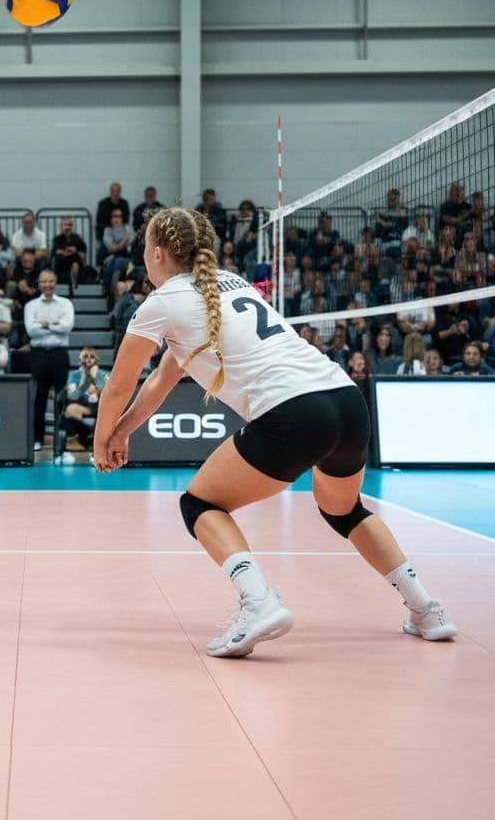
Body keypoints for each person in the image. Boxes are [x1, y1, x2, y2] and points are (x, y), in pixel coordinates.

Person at [94, 207, 455, 658]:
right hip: (346, 402)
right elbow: (163, 378)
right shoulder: (227, 283)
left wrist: (101, 441)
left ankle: (259, 602)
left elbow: (119, 383)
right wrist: (124, 431)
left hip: (294, 414)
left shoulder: (163, 302)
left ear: (158, 253)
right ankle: (427, 609)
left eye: (144, 247)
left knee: (199, 503)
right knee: (345, 512)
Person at [24, 269, 74, 451]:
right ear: (39, 284)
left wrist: (43, 324)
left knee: (62, 396)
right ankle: (37, 439)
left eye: (51, 281)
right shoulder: (30, 306)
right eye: (44, 282)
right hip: (38, 354)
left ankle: (63, 440)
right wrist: (55, 324)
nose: (47, 285)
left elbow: (67, 327)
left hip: (60, 354)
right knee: (39, 397)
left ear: (56, 282)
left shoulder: (66, 303)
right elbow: (31, 330)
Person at [57, 346, 109, 463]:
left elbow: (110, 396)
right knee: (70, 409)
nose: (89, 359)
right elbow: (72, 396)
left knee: (104, 413)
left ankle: (95, 451)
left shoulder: (103, 375)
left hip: (99, 409)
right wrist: (86, 384)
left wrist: (96, 380)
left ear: (97, 360)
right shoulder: (73, 375)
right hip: (80, 408)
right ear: (80, 360)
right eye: (85, 356)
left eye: (92, 357)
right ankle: (63, 452)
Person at [49, 216, 87, 291]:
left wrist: (74, 250)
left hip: (75, 261)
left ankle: (74, 279)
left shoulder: (77, 238)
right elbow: (55, 251)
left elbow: (83, 252)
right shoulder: (57, 238)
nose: (68, 227)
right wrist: (65, 252)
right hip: (62, 262)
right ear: (61, 227)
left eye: (70, 225)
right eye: (66, 225)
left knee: (75, 262)